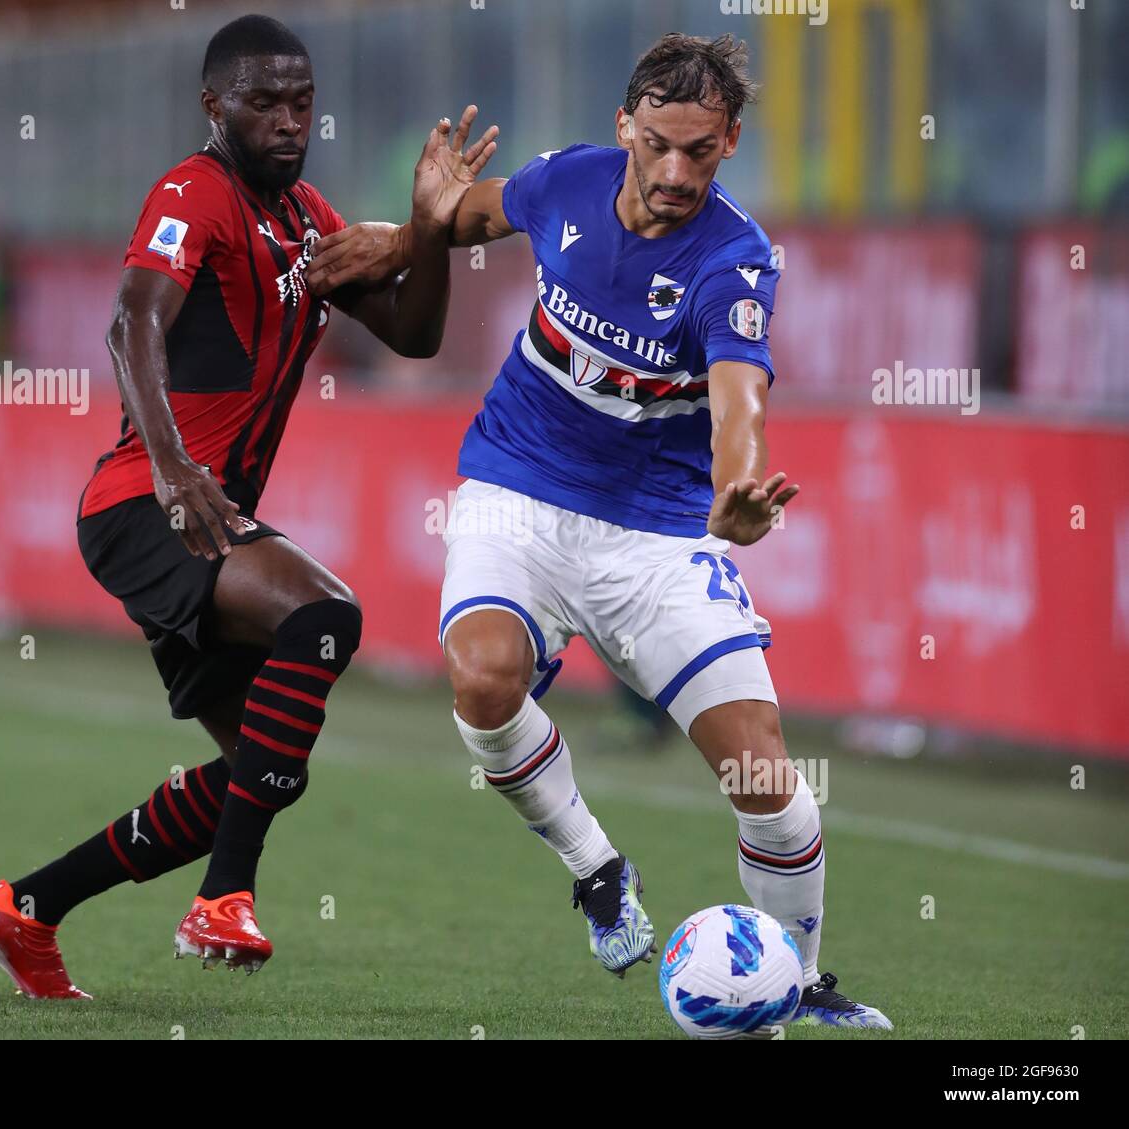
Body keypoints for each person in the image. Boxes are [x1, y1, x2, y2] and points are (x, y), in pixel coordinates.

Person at [310, 32, 890, 1029]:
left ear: (730, 143)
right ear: (623, 127)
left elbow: (738, 402)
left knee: (764, 776)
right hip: (518, 488)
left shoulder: (734, 263)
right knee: (483, 682)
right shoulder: (565, 184)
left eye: (700, 152)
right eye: (657, 145)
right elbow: (460, 221)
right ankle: (596, 869)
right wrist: (412, 218)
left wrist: (740, 489)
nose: (674, 173)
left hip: (658, 535)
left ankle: (795, 982)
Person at [0, 14, 496, 999]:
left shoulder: (305, 219)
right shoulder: (191, 193)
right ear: (215, 105)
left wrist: (429, 230)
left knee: (258, 769)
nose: (288, 122)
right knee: (325, 613)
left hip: (196, 519)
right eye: (264, 102)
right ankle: (222, 898)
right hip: (144, 504)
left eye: (302, 103)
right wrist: (171, 472)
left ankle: (25, 909)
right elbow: (131, 327)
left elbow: (413, 338)